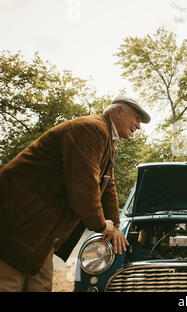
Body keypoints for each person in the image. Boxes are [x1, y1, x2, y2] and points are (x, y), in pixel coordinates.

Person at [0, 96, 150, 292]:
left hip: (41, 230)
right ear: (119, 111)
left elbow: (107, 185)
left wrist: (115, 225)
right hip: (17, 221)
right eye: (137, 118)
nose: (139, 126)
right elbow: (84, 185)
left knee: (40, 286)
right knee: (9, 284)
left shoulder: (106, 138)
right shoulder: (90, 129)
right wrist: (102, 225)